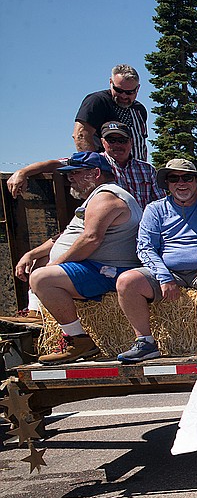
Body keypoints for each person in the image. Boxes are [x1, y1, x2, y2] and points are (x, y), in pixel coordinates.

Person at [15, 153, 142, 363]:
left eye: (75, 173)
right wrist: (31, 254)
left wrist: (56, 264)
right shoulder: (96, 197)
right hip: (95, 266)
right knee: (41, 265)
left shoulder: (106, 197)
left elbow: (91, 239)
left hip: (109, 270)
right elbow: (68, 236)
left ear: (96, 173)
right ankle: (36, 314)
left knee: (42, 278)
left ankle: (79, 340)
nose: (70, 179)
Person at [115, 159, 197, 362]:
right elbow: (145, 246)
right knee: (126, 281)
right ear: (167, 183)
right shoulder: (155, 209)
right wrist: (164, 276)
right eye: (174, 178)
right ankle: (145, 342)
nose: (181, 183)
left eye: (187, 177)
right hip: (168, 271)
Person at [7, 121, 162, 211]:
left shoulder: (147, 170)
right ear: (102, 142)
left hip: (141, 227)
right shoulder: (92, 161)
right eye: (111, 140)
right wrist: (23, 172)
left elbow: (159, 204)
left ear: (131, 142)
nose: (117, 145)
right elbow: (55, 164)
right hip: (110, 228)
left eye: (122, 140)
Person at [75, 64, 149, 161]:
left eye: (130, 92)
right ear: (111, 82)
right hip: (107, 169)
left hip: (136, 170)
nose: (123, 96)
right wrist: (95, 165)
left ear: (137, 88)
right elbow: (81, 135)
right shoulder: (97, 101)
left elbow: (141, 143)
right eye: (119, 90)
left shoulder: (139, 109)